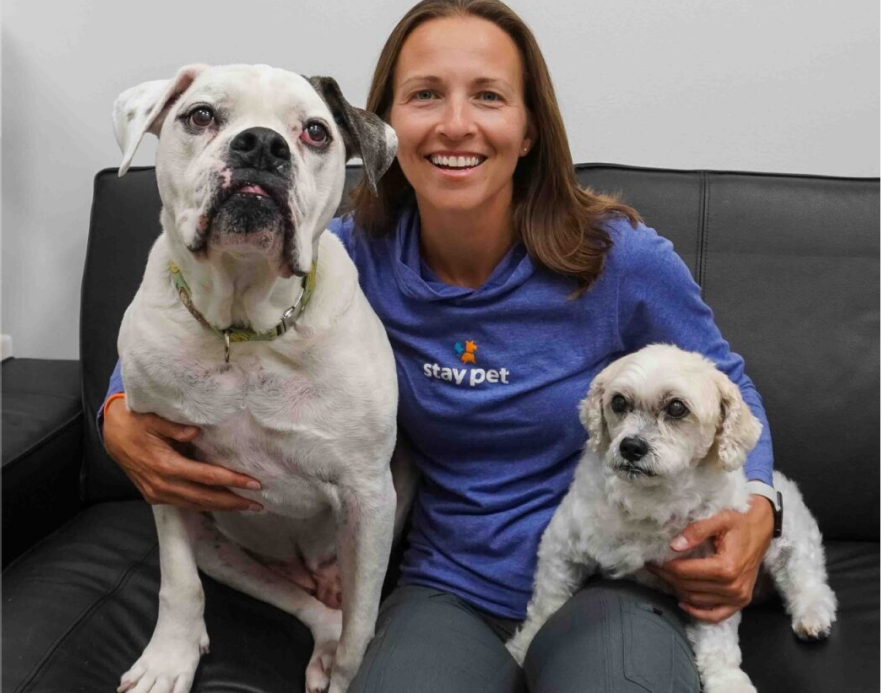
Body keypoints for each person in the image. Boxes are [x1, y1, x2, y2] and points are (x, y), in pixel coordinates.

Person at [101, 1, 777, 691]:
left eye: (488, 95)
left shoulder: (620, 259)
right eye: (426, 95)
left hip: (614, 575)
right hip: (447, 586)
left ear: (529, 128)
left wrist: (759, 506)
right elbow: (201, 323)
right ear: (386, 129)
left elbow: (729, 386)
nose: (457, 123)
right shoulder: (345, 261)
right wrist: (117, 412)